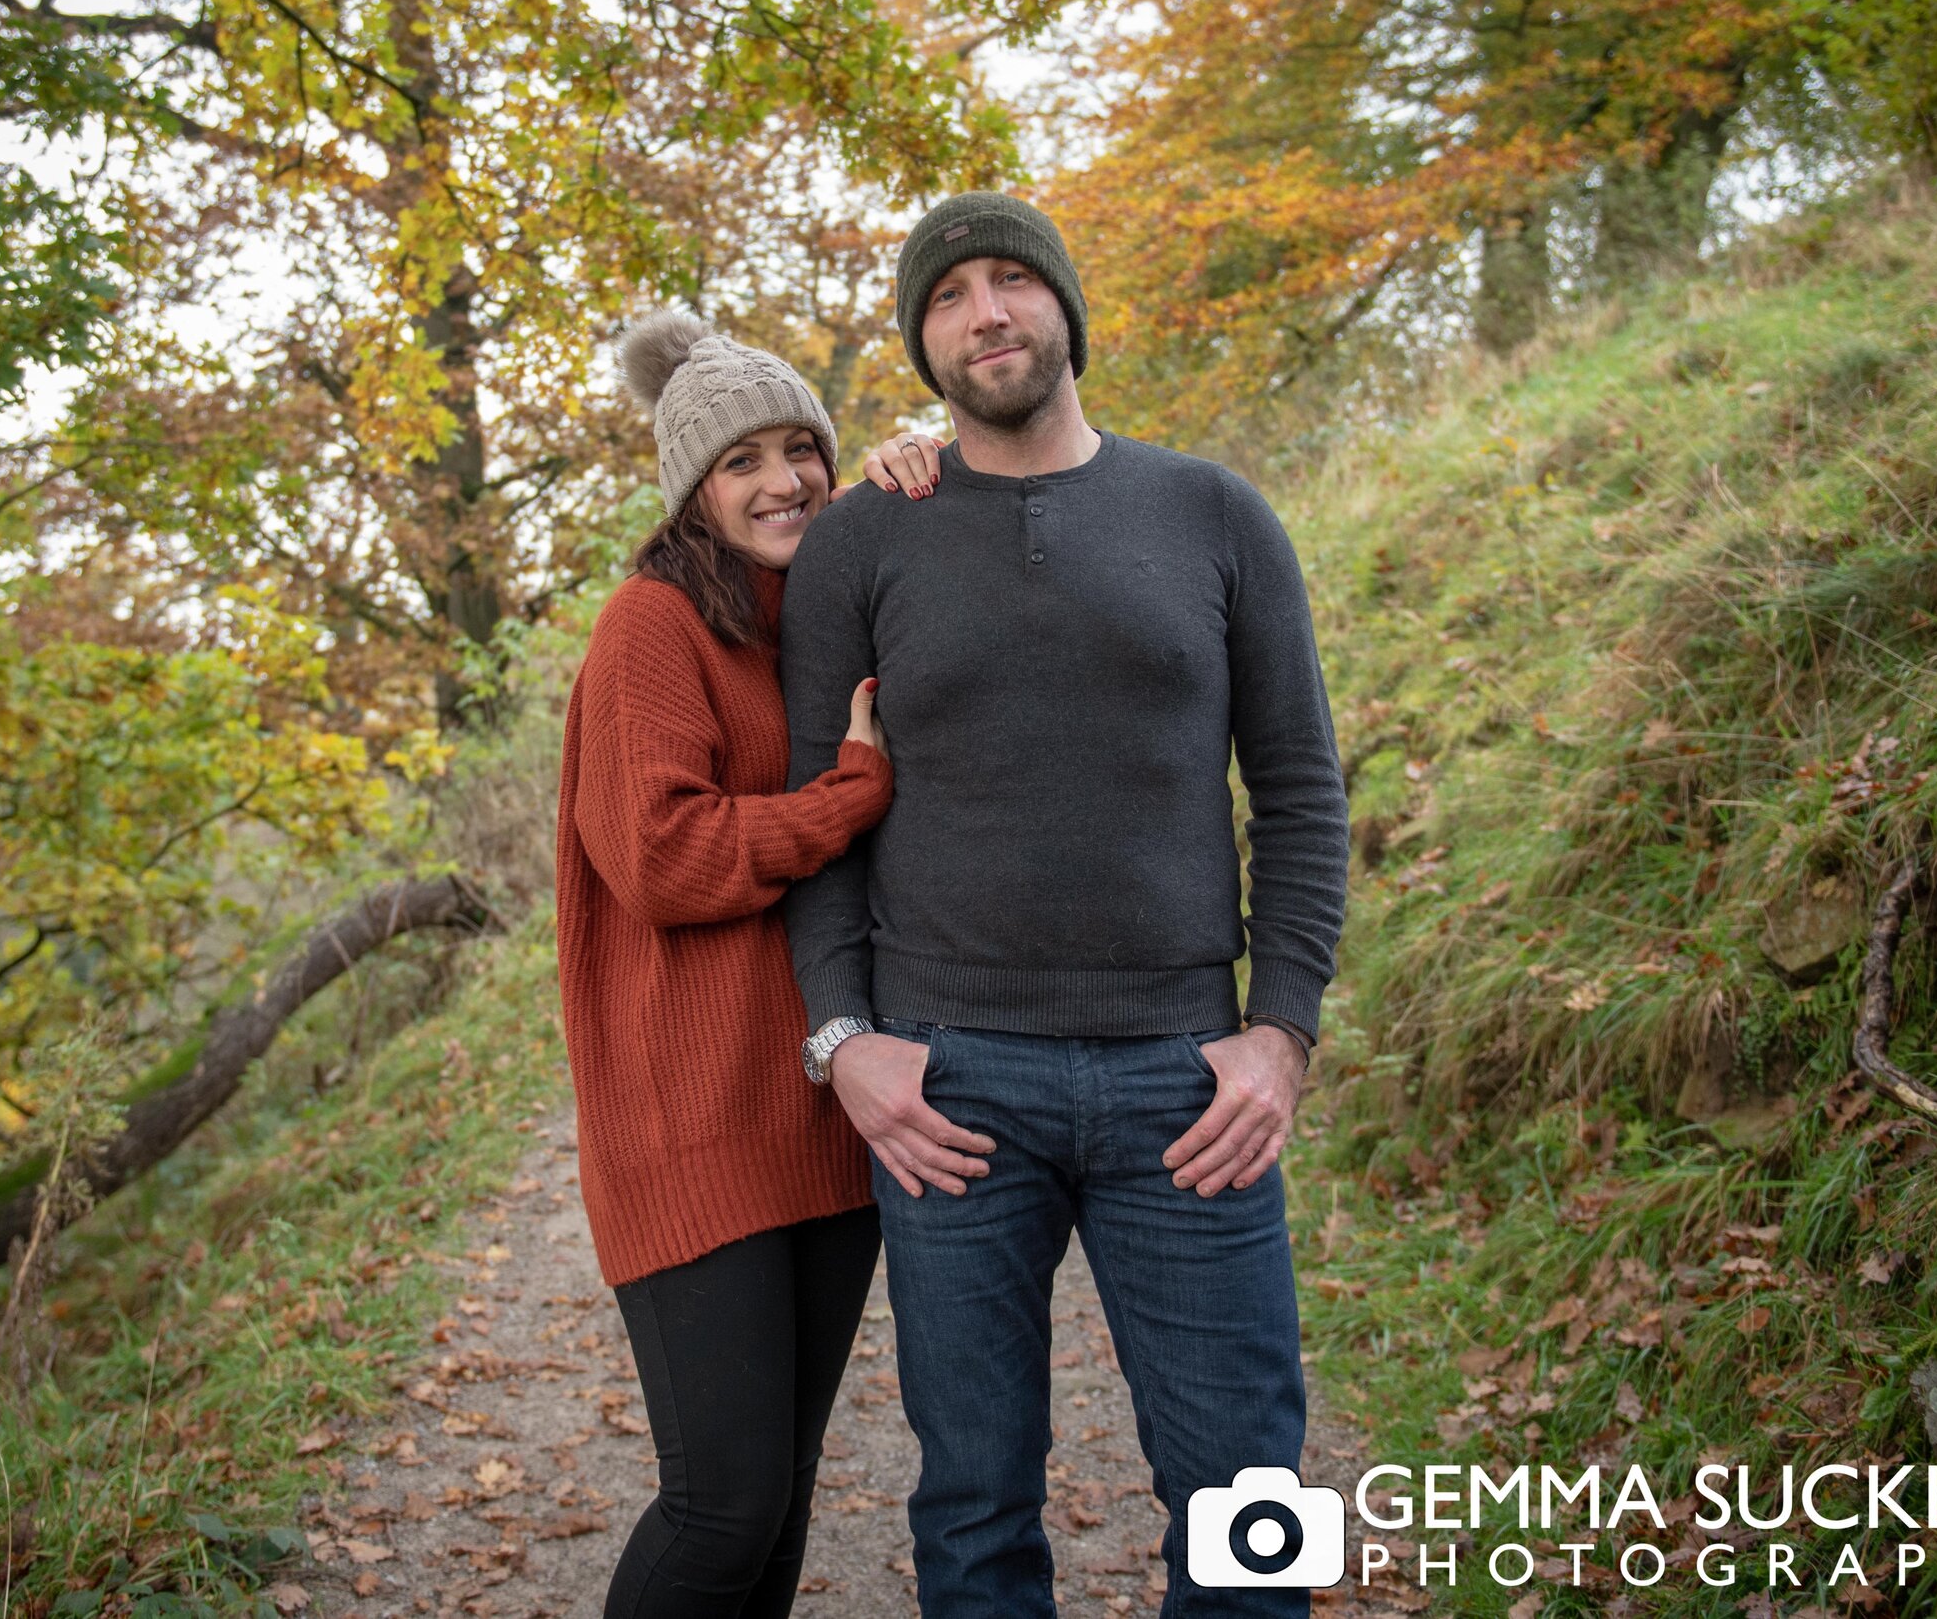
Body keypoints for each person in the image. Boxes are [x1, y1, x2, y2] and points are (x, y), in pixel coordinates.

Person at [779, 193, 1352, 1617]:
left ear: (1065, 309)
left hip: (1186, 1084)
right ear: (922, 340)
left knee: (1248, 1503)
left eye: (1013, 281)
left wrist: (1279, 1032)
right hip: (949, 1089)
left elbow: (1298, 788)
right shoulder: (863, 544)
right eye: (951, 293)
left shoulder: (1213, 513)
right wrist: (847, 1037)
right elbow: (818, 815)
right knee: (973, 1510)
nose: (986, 312)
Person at [555, 311, 950, 1617]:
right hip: (691, 1119)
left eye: (806, 451)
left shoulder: (823, 617)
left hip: (821, 1110)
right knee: (720, 1503)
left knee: (777, 1493)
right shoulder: (652, 624)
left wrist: (913, 482)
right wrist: (848, 795)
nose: (785, 480)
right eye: (745, 461)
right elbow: (662, 858)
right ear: (692, 490)